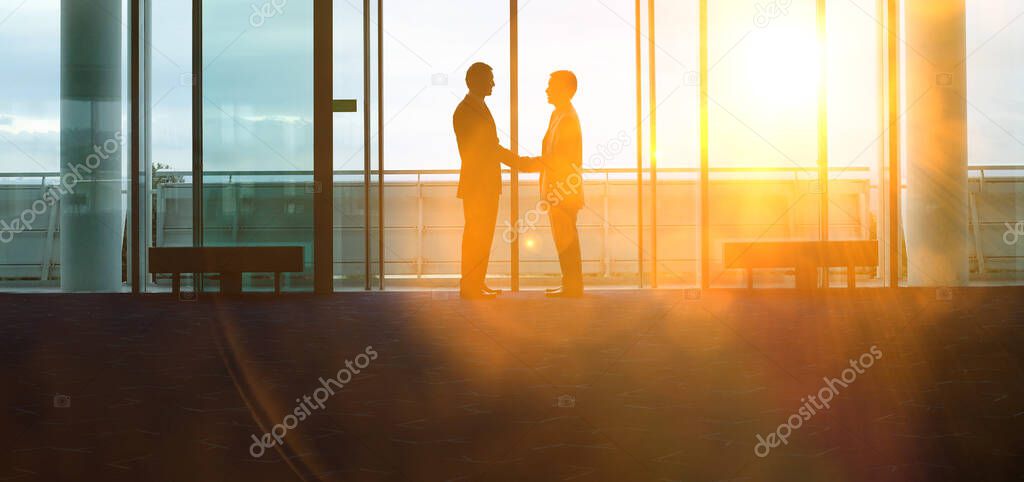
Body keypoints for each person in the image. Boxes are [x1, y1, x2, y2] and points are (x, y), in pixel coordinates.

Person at [453, 62, 520, 300]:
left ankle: (476, 283)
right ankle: (471, 287)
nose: (493, 83)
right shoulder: (465, 110)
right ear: (476, 80)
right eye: (490, 79)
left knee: (483, 237)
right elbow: (487, 149)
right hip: (478, 186)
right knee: (476, 237)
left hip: (485, 185)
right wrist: (522, 162)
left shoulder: (478, 107)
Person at [519, 71, 585, 298]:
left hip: (563, 191)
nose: (547, 90)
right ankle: (570, 284)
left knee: (567, 240)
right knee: (563, 239)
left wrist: (526, 165)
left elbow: (558, 158)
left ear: (566, 90)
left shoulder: (567, 118)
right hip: (558, 190)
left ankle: (573, 287)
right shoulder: (558, 115)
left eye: (551, 86)